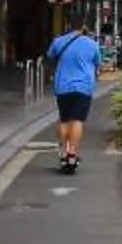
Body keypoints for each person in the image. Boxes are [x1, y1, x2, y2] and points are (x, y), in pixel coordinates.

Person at [45, 13, 103, 174]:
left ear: (68, 25)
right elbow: (98, 63)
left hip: (62, 86)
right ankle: (72, 154)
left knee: (64, 120)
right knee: (77, 120)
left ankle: (63, 152)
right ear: (84, 25)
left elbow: (50, 57)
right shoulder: (92, 44)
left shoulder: (58, 42)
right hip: (83, 87)